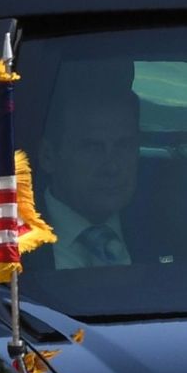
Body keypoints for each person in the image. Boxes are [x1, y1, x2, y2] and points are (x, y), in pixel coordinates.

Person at [35, 84, 142, 269]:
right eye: (92, 148)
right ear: (48, 157)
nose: (112, 167)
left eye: (124, 146)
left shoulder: (171, 230)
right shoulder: (6, 242)